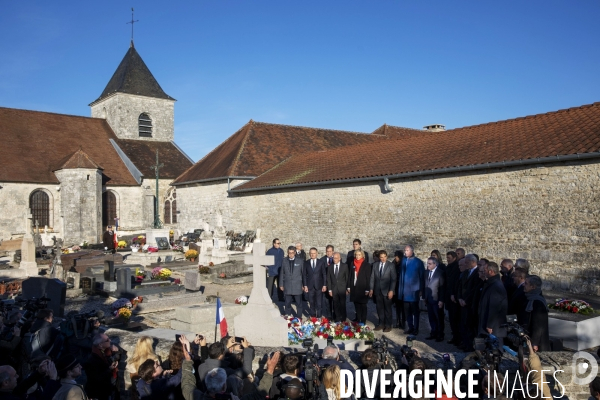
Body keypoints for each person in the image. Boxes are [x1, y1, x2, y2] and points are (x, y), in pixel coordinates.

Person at [456, 255, 482, 351]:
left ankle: (470, 346)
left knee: (470, 326)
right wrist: (459, 298)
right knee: (463, 324)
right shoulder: (466, 272)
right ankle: (465, 343)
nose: (465, 264)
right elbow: (460, 286)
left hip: (470, 304)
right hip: (462, 303)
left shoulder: (477, 273)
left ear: (473, 262)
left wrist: (466, 300)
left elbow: (474, 290)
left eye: (467, 262)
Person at [396, 245, 424, 335]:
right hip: (405, 291)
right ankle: (410, 327)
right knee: (407, 311)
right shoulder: (404, 260)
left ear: (412, 251)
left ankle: (416, 328)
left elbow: (422, 276)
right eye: (405, 250)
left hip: (413, 291)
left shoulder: (418, 262)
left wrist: (421, 289)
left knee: (415, 312)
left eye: (407, 250)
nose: (405, 252)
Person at [83, 333, 119, 400]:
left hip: (104, 389)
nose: (110, 340)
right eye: (107, 340)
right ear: (100, 345)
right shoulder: (92, 360)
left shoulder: (104, 352)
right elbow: (96, 378)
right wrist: (109, 369)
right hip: (98, 392)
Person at [477, 262, 507, 339]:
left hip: (494, 326)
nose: (483, 272)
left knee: (494, 348)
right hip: (488, 322)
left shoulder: (496, 286)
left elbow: (495, 307)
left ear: (491, 271)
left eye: (485, 270)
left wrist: (490, 325)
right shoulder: (491, 284)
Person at [369, 250, 396, 332]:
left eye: (384, 257)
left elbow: (393, 279)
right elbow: (372, 278)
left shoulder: (391, 265)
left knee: (387, 309)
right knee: (379, 308)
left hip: (387, 290)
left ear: (386, 257)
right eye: (381, 257)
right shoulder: (375, 265)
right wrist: (371, 289)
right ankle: (381, 323)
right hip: (377, 290)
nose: (383, 259)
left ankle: (388, 325)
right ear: (379, 258)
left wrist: (391, 290)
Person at [522, 275, 550, 352]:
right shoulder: (529, 299)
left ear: (533, 287)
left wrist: (534, 343)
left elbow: (539, 326)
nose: (524, 285)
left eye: (526, 283)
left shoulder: (537, 302)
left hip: (536, 344)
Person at [280, 246, 305, 319]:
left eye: (292, 253)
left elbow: (303, 273)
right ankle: (288, 317)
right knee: (287, 303)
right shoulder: (284, 261)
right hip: (287, 285)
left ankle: (299, 318)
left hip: (297, 285)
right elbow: (282, 273)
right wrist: (281, 284)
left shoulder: (300, 261)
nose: (290, 254)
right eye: (289, 253)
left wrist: (303, 285)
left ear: (294, 253)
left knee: (299, 304)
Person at [424, 257, 445, 342]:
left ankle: (440, 334)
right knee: (431, 317)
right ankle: (433, 332)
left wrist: (441, 300)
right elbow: (425, 285)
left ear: (435, 264)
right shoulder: (426, 272)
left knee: (438, 318)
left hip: (437, 299)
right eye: (427, 263)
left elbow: (442, 288)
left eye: (429, 264)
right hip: (428, 299)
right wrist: (424, 297)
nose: (428, 265)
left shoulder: (440, 273)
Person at [348, 250, 371, 324]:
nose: (357, 256)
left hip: (363, 287)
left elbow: (368, 278)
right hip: (354, 286)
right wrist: (348, 286)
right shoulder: (352, 263)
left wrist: (368, 289)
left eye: (359, 255)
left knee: (363, 305)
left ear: (362, 256)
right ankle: (358, 318)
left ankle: (363, 320)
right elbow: (350, 275)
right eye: (356, 255)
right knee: (356, 304)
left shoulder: (366, 265)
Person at [303, 248, 327, 318]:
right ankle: (313, 317)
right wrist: (305, 285)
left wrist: (324, 285)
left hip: (319, 286)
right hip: (310, 286)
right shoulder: (306, 263)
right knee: (311, 303)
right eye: (311, 253)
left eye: (314, 253)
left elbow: (324, 274)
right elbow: (304, 274)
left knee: (319, 303)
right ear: (309, 254)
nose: (312, 254)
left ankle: (319, 317)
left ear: (317, 253)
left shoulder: (321, 262)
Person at [327, 253, 349, 322]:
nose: (334, 259)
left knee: (342, 304)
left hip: (342, 288)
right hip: (334, 288)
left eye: (336, 258)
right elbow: (329, 279)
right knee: (335, 304)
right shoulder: (330, 267)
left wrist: (347, 288)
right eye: (333, 258)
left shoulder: (345, 266)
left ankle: (343, 318)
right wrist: (330, 290)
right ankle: (337, 317)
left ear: (340, 258)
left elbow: (347, 278)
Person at [444, 251, 461, 345]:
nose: (447, 260)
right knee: (451, 319)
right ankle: (455, 337)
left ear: (454, 258)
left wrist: (453, 294)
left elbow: (454, 283)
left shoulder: (456, 268)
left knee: (455, 319)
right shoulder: (449, 267)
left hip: (453, 298)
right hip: (449, 296)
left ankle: (457, 338)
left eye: (449, 258)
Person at [320, 245, 335, 319]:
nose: (328, 253)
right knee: (327, 300)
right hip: (325, 283)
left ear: (333, 251)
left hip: (335, 283)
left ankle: (335, 314)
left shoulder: (336, 259)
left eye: (330, 251)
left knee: (335, 300)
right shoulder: (322, 260)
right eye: (327, 251)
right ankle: (329, 315)